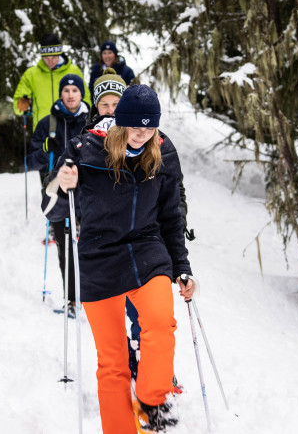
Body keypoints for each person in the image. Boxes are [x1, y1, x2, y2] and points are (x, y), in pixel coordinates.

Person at [55, 84, 196, 434]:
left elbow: (171, 216)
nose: (141, 134)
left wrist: (181, 265)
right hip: (99, 255)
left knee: (160, 324)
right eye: (135, 126)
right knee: (113, 361)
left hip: (146, 250)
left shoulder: (163, 151)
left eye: (149, 127)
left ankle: (151, 398)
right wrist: (60, 183)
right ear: (120, 122)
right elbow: (53, 209)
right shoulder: (84, 149)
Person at [28, 74, 90, 309]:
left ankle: (96, 300)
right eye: (66, 90)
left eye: (75, 90)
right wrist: (46, 149)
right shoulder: (47, 123)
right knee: (66, 249)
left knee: (92, 249)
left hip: (88, 194)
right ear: (61, 94)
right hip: (59, 194)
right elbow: (30, 161)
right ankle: (72, 300)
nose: (71, 95)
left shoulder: (92, 121)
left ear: (81, 94)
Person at [14, 33, 87, 131]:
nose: (50, 62)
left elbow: (86, 100)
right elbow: (17, 106)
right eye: (46, 58)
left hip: (70, 131)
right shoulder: (31, 74)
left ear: (59, 54)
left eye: (53, 57)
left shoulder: (73, 71)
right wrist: (22, 104)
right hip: (42, 132)